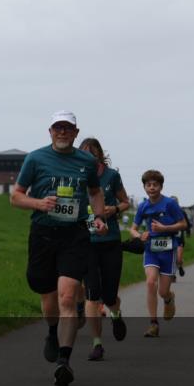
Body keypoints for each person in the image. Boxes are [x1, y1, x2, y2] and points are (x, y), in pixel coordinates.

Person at [11, 111, 107, 386]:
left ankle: (64, 361)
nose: (62, 132)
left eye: (68, 128)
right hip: (42, 233)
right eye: (58, 128)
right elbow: (15, 196)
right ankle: (52, 331)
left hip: (74, 235)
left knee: (67, 297)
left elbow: (95, 191)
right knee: (48, 299)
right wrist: (39, 204)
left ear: (76, 133)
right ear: (50, 131)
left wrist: (98, 217)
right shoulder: (36, 158)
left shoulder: (86, 162)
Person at [78, 138, 130, 361]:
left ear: (100, 154)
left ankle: (116, 315)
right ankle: (97, 343)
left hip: (110, 242)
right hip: (87, 243)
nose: (89, 156)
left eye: (93, 153)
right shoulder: (77, 177)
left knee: (109, 296)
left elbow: (126, 202)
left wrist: (114, 209)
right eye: (85, 153)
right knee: (92, 294)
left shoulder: (111, 176)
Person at [130, 170, 186, 337]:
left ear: (161, 186)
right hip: (151, 249)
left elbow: (183, 224)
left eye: (155, 184)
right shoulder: (143, 206)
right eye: (148, 185)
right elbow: (133, 229)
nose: (152, 188)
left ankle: (169, 298)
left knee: (162, 291)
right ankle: (153, 323)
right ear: (144, 187)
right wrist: (140, 236)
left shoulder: (170, 204)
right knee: (150, 282)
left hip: (168, 251)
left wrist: (165, 229)